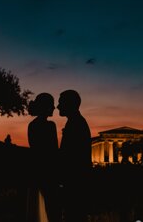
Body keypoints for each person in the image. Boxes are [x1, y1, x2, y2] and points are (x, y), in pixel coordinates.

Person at [57, 90, 92, 222]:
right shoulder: (76, 122)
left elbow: (70, 156)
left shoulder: (76, 124)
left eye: (60, 103)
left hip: (75, 184)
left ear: (69, 104)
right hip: (76, 182)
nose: (58, 106)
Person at [26, 93, 62, 222]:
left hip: (37, 171)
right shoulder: (50, 126)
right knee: (53, 209)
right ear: (46, 107)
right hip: (49, 172)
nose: (54, 108)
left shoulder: (32, 125)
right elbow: (53, 152)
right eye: (51, 105)